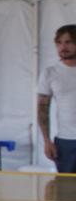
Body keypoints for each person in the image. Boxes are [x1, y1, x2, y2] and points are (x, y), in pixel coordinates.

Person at [38, 25, 76, 173]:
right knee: (65, 192)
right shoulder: (50, 73)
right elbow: (42, 109)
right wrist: (47, 141)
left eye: (68, 42)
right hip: (65, 142)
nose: (63, 47)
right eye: (59, 42)